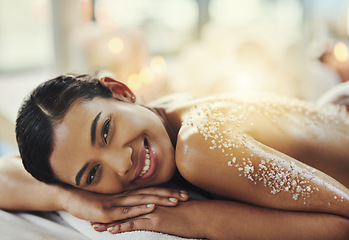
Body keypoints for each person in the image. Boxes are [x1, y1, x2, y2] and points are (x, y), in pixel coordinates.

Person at [1, 73, 349, 239]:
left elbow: (342, 223)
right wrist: (73, 199)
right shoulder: (166, 113)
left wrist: (197, 219)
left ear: (121, 91)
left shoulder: (198, 147)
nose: (121, 163)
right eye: (93, 174)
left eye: (106, 131)